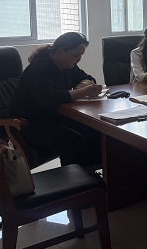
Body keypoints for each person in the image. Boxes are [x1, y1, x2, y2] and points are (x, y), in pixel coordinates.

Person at [10, 32, 103, 167]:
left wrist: (81, 88)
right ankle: (75, 178)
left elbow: (88, 78)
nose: (78, 59)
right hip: (29, 124)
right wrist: (83, 91)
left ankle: (94, 174)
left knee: (95, 131)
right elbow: (49, 98)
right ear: (61, 51)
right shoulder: (39, 68)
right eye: (75, 55)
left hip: (53, 117)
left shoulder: (67, 66)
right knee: (72, 140)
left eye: (81, 56)